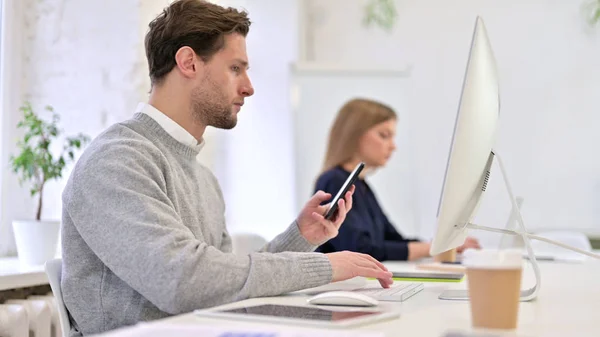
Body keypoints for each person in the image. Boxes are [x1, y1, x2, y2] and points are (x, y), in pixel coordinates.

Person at [60, 2, 393, 335]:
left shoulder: (201, 176)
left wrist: (302, 237)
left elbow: (222, 284)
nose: (248, 86)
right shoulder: (116, 160)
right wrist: (324, 267)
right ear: (188, 62)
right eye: (236, 68)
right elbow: (182, 282)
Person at [314, 98, 481, 261]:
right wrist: (434, 247)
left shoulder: (361, 185)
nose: (393, 146)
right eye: (384, 135)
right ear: (354, 135)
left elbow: (392, 239)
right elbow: (360, 249)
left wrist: (441, 244)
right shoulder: (335, 181)